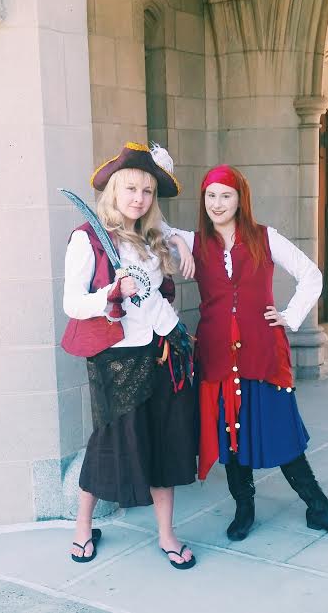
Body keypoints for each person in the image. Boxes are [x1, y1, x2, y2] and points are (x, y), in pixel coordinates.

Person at [167, 164, 328, 541]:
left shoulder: (265, 237)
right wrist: (176, 239)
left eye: (226, 196)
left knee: (281, 432)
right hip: (218, 358)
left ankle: (318, 508)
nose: (217, 204)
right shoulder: (193, 240)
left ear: (241, 200)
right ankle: (244, 509)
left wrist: (290, 315)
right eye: (210, 196)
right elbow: (153, 226)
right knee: (231, 436)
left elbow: (311, 275)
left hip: (263, 355)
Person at [62, 142, 197, 569]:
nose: (139, 198)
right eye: (131, 189)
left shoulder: (152, 238)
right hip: (115, 360)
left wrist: (181, 243)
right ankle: (83, 527)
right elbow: (71, 304)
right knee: (108, 443)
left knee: (162, 443)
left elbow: (180, 238)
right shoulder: (87, 240)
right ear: (114, 191)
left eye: (147, 191)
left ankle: (167, 534)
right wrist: (110, 293)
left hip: (161, 352)